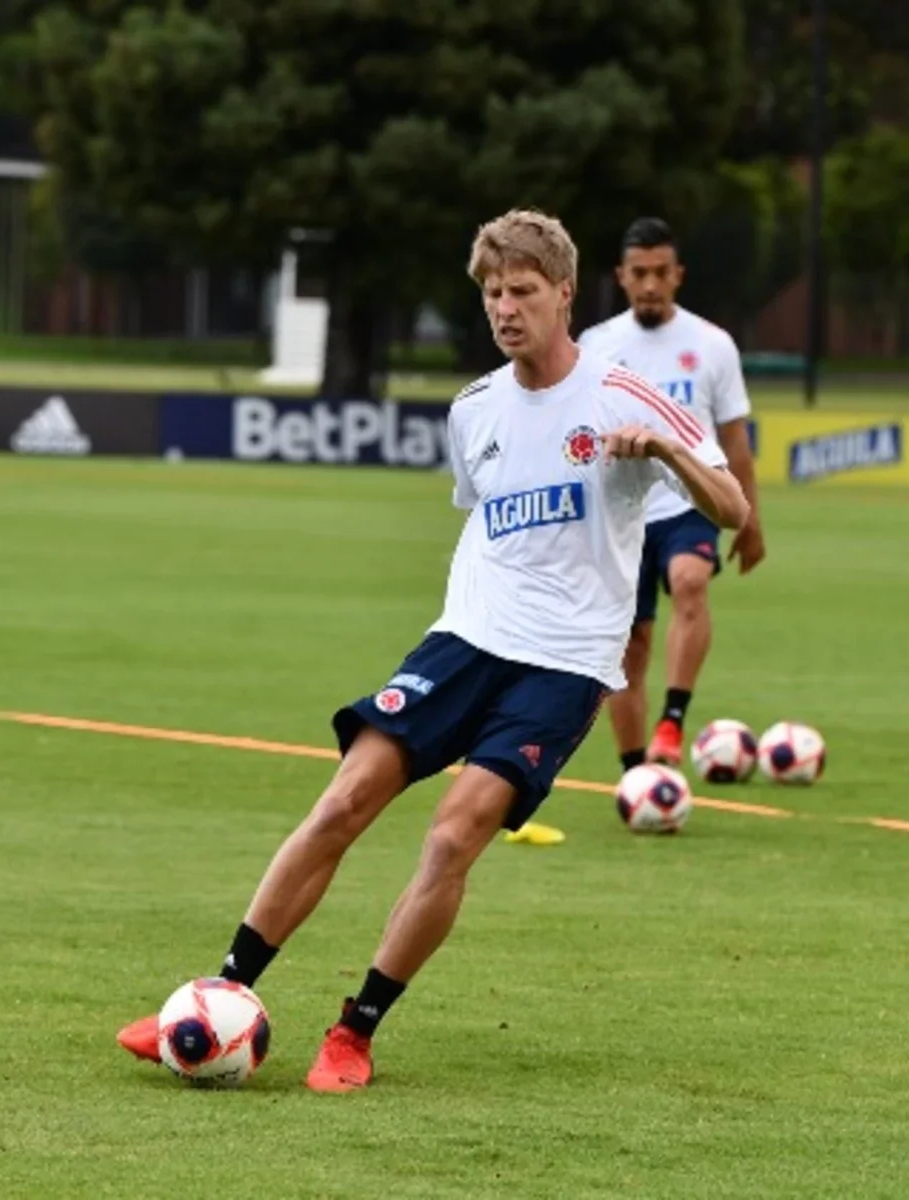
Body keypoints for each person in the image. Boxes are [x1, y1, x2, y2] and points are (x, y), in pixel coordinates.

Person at [115, 209, 748, 1092]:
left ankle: (355, 1030)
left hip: (566, 664)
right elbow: (488, 522)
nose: (505, 309)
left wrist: (669, 456)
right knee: (343, 801)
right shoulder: (475, 409)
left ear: (565, 294)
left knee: (452, 839)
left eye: (522, 291)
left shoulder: (624, 394)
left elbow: (732, 508)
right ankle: (221, 991)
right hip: (464, 641)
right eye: (492, 293)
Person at [578, 217, 764, 770]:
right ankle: (637, 774)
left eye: (661, 272)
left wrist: (750, 518)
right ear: (621, 276)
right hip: (622, 513)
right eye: (639, 273)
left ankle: (673, 721)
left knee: (689, 581)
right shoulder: (595, 347)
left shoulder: (713, 345)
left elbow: (734, 438)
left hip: (689, 499)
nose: (651, 284)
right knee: (630, 645)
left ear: (678, 275)